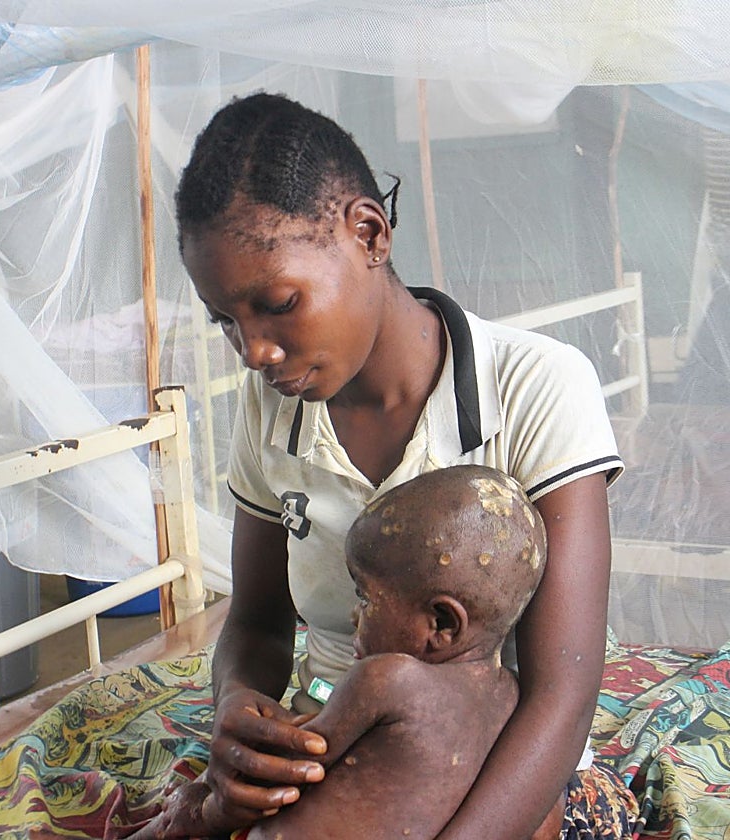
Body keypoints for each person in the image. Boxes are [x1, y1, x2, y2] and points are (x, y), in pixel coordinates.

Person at [179, 93, 634, 838]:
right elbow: (258, 623)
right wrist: (240, 711)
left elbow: (565, 694)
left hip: (492, 769)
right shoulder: (271, 408)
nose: (254, 350)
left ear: (369, 233)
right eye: (227, 321)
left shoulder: (535, 387)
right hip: (335, 742)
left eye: (280, 303)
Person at [124, 465, 619, 839]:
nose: (354, 616)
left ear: (441, 624)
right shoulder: (512, 699)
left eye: (365, 597)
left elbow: (283, 767)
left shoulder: (385, 680)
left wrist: (200, 809)